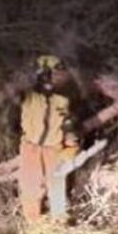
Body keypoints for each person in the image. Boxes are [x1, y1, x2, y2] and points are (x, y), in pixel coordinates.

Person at [18, 54, 80, 222]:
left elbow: (68, 123)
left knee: (57, 186)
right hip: (31, 147)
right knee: (31, 187)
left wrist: (71, 145)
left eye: (53, 74)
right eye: (46, 74)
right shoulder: (29, 95)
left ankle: (58, 223)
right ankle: (34, 224)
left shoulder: (63, 100)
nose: (50, 79)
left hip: (54, 148)